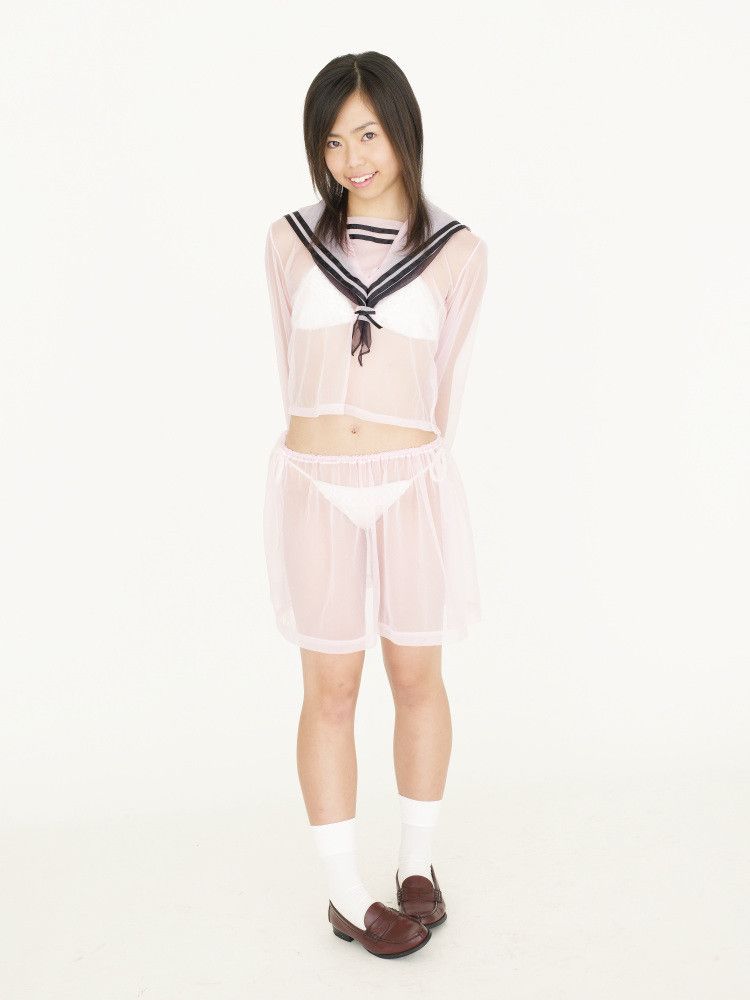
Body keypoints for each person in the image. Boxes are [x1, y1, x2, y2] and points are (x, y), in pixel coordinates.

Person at [262, 51, 488, 959]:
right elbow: (290, 366)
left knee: (417, 677)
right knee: (331, 688)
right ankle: (345, 891)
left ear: (401, 130)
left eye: (366, 133)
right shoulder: (289, 242)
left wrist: (411, 466)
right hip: (315, 485)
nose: (351, 157)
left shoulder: (459, 252)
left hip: (410, 483)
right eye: (332, 141)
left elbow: (446, 388)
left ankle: (417, 864)